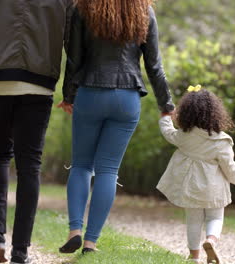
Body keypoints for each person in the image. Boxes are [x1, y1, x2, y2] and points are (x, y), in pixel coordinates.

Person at [0, 0, 73, 263]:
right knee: (30, 165)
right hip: (39, 83)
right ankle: (21, 251)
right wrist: (71, 88)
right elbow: (73, 38)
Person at [57, 0, 175, 254]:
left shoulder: (83, 8)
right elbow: (154, 66)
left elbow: (74, 59)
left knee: (81, 165)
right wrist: (167, 104)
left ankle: (74, 230)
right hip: (127, 98)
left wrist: (68, 95)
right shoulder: (144, 11)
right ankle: (91, 242)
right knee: (108, 171)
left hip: (90, 93)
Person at [156, 86, 235, 264]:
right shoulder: (221, 140)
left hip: (190, 187)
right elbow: (229, 166)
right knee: (216, 217)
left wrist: (165, 118)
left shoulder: (185, 136)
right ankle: (210, 240)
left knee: (193, 221)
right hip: (214, 189)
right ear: (215, 113)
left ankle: (194, 257)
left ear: (187, 113)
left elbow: (168, 133)